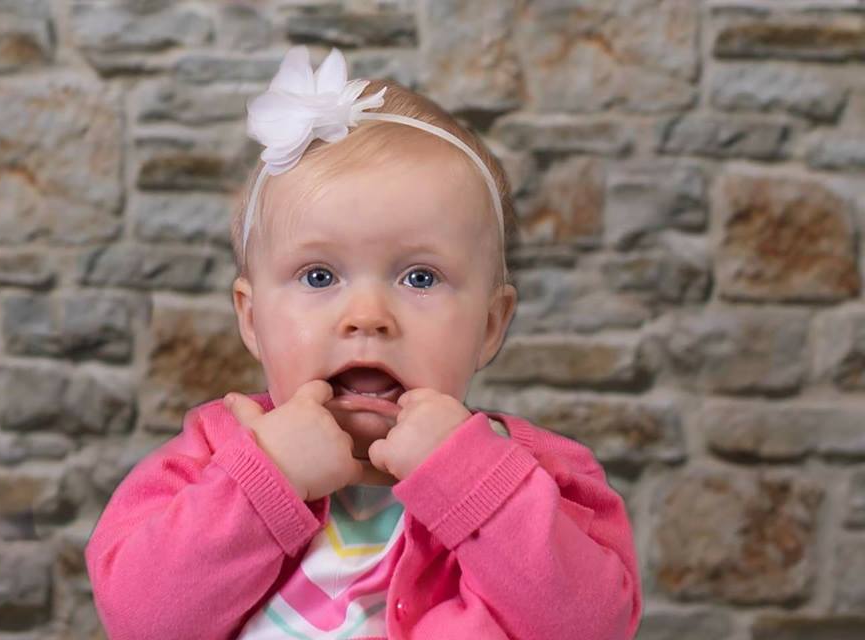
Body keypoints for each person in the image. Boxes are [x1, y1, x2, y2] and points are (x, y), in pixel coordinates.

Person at [85, 46, 643, 640]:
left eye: (420, 278)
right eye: (319, 276)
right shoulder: (210, 460)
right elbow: (144, 622)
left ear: (488, 326)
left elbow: (590, 626)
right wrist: (265, 480)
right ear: (252, 319)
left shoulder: (540, 475)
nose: (368, 317)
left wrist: (469, 475)